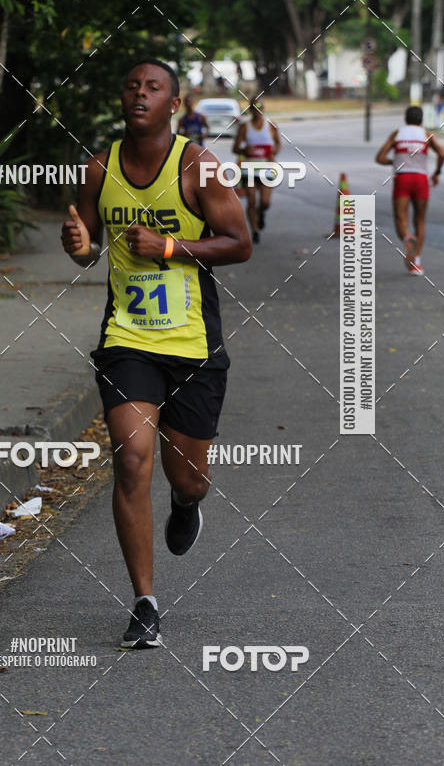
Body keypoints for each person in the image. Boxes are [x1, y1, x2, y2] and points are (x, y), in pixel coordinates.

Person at [61, 59, 251, 649]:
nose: (139, 93)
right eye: (131, 84)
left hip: (192, 343)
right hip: (128, 341)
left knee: (188, 478)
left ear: (173, 104)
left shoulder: (198, 166)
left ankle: (186, 502)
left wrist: (170, 244)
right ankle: (144, 602)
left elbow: (240, 244)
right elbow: (88, 249)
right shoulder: (99, 168)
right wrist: (80, 247)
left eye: (153, 88)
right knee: (132, 459)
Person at [375, 105, 444, 275]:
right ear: (421, 121)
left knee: (401, 218)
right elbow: (442, 154)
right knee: (419, 221)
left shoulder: (397, 134)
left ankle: (407, 238)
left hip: (403, 179)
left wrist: (394, 162)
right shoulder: (426, 135)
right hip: (420, 179)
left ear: (405, 119)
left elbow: (380, 157)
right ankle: (417, 263)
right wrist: (436, 173)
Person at [232, 98, 281, 243]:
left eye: (260, 106)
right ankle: (255, 230)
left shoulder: (271, 125)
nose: (258, 109)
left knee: (265, 202)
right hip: (250, 170)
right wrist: (244, 149)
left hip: (267, 169)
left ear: (264, 108)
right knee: (251, 201)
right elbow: (235, 148)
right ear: (251, 110)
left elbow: (278, 143)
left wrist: (274, 152)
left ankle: (261, 213)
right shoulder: (245, 127)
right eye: (254, 107)